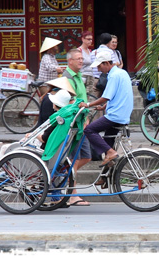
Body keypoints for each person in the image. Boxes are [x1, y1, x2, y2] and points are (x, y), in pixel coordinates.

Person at [80, 49, 134, 166]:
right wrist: (104, 107)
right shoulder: (122, 72)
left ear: (106, 63)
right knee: (107, 142)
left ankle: (111, 152)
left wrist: (88, 104)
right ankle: (105, 178)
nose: (99, 70)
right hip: (122, 113)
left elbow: (106, 96)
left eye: (100, 67)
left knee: (89, 130)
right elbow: (119, 95)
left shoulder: (113, 76)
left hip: (115, 115)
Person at [63, 47, 92, 207]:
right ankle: (73, 194)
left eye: (82, 58)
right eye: (78, 59)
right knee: (74, 159)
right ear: (70, 61)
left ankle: (65, 175)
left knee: (86, 156)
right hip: (73, 123)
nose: (81, 61)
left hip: (82, 122)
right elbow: (70, 101)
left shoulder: (79, 76)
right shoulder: (67, 77)